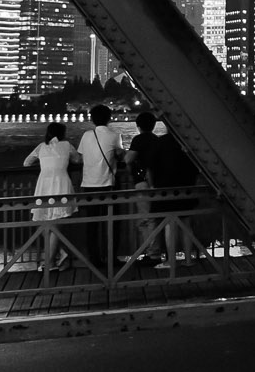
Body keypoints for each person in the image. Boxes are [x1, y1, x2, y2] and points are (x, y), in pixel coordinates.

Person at [126, 110, 199, 266]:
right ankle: (188, 260)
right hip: (186, 187)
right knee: (186, 224)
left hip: (166, 188)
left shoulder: (161, 142)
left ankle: (171, 262)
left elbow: (150, 167)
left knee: (169, 224)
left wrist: (153, 186)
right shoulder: (189, 142)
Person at [24, 122, 79, 270]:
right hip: (61, 183)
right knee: (55, 223)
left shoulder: (41, 146)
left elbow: (27, 163)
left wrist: (43, 165)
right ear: (62, 134)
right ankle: (58, 256)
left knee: (44, 223)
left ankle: (50, 262)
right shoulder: (67, 145)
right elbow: (78, 160)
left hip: (43, 185)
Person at [76, 104, 125, 271]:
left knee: (92, 224)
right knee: (112, 223)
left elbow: (81, 156)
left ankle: (94, 258)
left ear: (92, 119)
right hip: (108, 185)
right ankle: (111, 256)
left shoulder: (86, 135)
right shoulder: (115, 136)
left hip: (89, 185)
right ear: (109, 118)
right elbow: (120, 154)